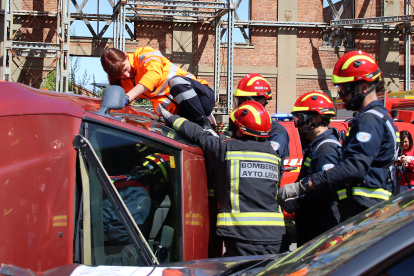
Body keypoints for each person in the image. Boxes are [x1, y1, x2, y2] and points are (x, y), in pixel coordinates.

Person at [278, 50, 399, 221]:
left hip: (364, 210)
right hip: (370, 208)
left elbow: (355, 166)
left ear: (364, 86)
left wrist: (307, 184)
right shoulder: (380, 116)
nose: (341, 96)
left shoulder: (369, 120)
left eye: (344, 89)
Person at [159, 101, 288, 256]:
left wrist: (170, 117)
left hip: (244, 235)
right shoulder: (273, 155)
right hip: (276, 234)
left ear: (240, 131)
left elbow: (198, 134)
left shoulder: (227, 148)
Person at [100, 47, 215, 128]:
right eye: (120, 75)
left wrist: (127, 97)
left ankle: (205, 122)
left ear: (126, 56)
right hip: (182, 112)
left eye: (125, 69)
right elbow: (120, 109)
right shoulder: (123, 83)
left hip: (201, 97)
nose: (126, 75)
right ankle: (198, 123)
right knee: (160, 111)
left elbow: (154, 75)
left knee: (176, 82)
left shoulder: (144, 54)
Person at [282, 91, 341, 246]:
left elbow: (326, 190)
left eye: (300, 118)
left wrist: (298, 203)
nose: (297, 124)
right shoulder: (316, 146)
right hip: (313, 221)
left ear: (316, 118)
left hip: (321, 224)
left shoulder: (325, 149)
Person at [103, 153, 171, 264]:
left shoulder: (123, 179)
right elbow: (122, 235)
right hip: (99, 249)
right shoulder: (140, 195)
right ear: (157, 179)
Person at [217, 73, 290, 177]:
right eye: (239, 101)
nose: (241, 106)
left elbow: (267, 166)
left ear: (263, 101)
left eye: (245, 100)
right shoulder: (241, 126)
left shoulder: (276, 131)